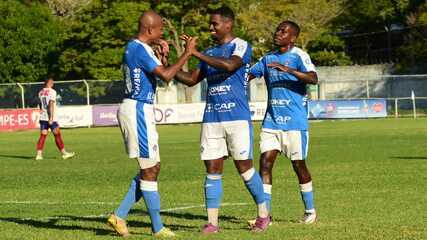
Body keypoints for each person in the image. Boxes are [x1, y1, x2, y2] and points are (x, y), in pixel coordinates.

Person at [175, 6, 270, 233]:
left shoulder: (241, 45)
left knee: (244, 167)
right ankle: (212, 223)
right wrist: (167, 63)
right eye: (210, 24)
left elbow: (230, 65)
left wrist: (194, 53)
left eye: (214, 24)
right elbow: (190, 80)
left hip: (236, 118)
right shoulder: (209, 51)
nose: (210, 28)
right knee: (212, 168)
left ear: (228, 24)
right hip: (211, 118)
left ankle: (263, 215)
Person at [106, 10, 196, 238]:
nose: (162, 33)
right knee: (149, 168)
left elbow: (160, 73)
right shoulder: (138, 48)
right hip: (137, 109)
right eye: (160, 29)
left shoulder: (139, 49)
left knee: (152, 167)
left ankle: (119, 215)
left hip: (140, 108)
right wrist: (187, 53)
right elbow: (166, 76)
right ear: (149, 29)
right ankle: (157, 228)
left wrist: (164, 60)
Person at [248, 20, 318, 225]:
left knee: (298, 166)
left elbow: (313, 78)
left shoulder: (299, 56)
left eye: (283, 31)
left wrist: (288, 70)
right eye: (277, 29)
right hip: (272, 121)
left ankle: (310, 211)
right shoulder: (267, 58)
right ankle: (264, 215)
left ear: (293, 37)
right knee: (265, 163)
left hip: (295, 123)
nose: (278, 33)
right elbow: (247, 76)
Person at [35, 78, 74, 160]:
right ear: (49, 83)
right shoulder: (52, 91)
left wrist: (41, 110)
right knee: (57, 135)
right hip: (50, 118)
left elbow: (39, 103)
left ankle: (39, 155)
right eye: (52, 82)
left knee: (43, 136)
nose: (53, 84)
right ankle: (64, 154)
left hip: (43, 117)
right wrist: (51, 118)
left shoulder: (40, 92)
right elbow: (51, 104)